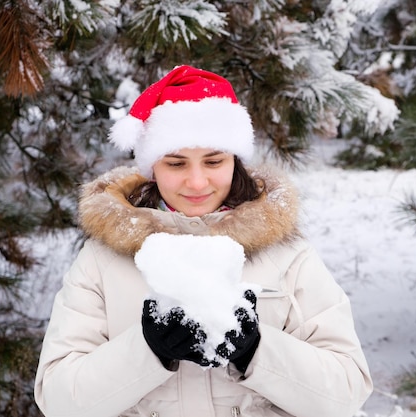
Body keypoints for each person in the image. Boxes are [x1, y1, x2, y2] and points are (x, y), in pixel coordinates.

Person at [34, 65, 373, 417]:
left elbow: (346, 393)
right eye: (176, 163)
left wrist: (256, 350)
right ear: (152, 168)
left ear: (235, 161)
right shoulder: (101, 261)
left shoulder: (287, 255)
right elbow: (60, 401)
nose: (197, 183)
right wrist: (147, 350)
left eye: (213, 160)